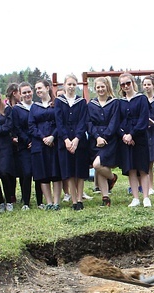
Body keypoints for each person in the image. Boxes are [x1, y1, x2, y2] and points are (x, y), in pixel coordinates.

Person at [55, 74, 90, 211]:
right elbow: (59, 122)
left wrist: (76, 139)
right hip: (64, 142)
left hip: (79, 142)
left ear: (77, 86)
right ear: (64, 85)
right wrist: (66, 140)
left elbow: (83, 121)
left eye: (73, 84)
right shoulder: (59, 101)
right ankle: (74, 200)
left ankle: (80, 199)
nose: (71, 87)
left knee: (80, 171)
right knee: (69, 172)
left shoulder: (81, 102)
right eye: (69, 84)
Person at [118, 73, 151, 208]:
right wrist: (124, 136)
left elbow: (144, 120)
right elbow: (117, 121)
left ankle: (146, 197)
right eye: (123, 84)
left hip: (140, 139)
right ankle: (136, 198)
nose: (126, 86)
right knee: (131, 169)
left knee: (143, 169)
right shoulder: (120, 102)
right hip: (126, 140)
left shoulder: (142, 99)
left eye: (128, 83)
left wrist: (132, 134)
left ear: (133, 83)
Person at [29, 79, 62, 210]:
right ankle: (48, 202)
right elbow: (31, 125)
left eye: (40, 88)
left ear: (47, 88)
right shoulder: (34, 107)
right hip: (39, 144)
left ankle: (56, 202)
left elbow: (61, 122)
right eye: (36, 89)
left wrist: (52, 136)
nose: (38, 91)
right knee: (42, 174)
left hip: (55, 142)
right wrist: (43, 138)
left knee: (55, 173)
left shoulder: (57, 103)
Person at [87, 76, 119, 208]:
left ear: (107, 87)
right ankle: (105, 198)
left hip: (109, 140)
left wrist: (104, 137)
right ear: (95, 89)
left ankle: (112, 177)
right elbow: (88, 123)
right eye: (98, 87)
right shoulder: (91, 104)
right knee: (99, 168)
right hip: (95, 140)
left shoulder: (114, 103)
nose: (100, 89)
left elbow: (114, 122)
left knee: (97, 165)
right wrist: (96, 137)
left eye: (102, 87)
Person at [11, 81, 38, 210]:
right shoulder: (16, 109)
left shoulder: (37, 106)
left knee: (38, 173)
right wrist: (28, 141)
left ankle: (40, 201)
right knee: (26, 173)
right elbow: (16, 127)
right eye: (24, 92)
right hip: (24, 146)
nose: (27, 94)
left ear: (32, 92)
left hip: (38, 143)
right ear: (20, 94)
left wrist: (35, 140)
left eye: (29, 92)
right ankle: (26, 202)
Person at [142, 74, 154, 196]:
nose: (147, 87)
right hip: (145, 132)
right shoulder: (141, 99)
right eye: (144, 85)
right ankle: (150, 186)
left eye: (149, 84)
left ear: (153, 85)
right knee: (148, 161)